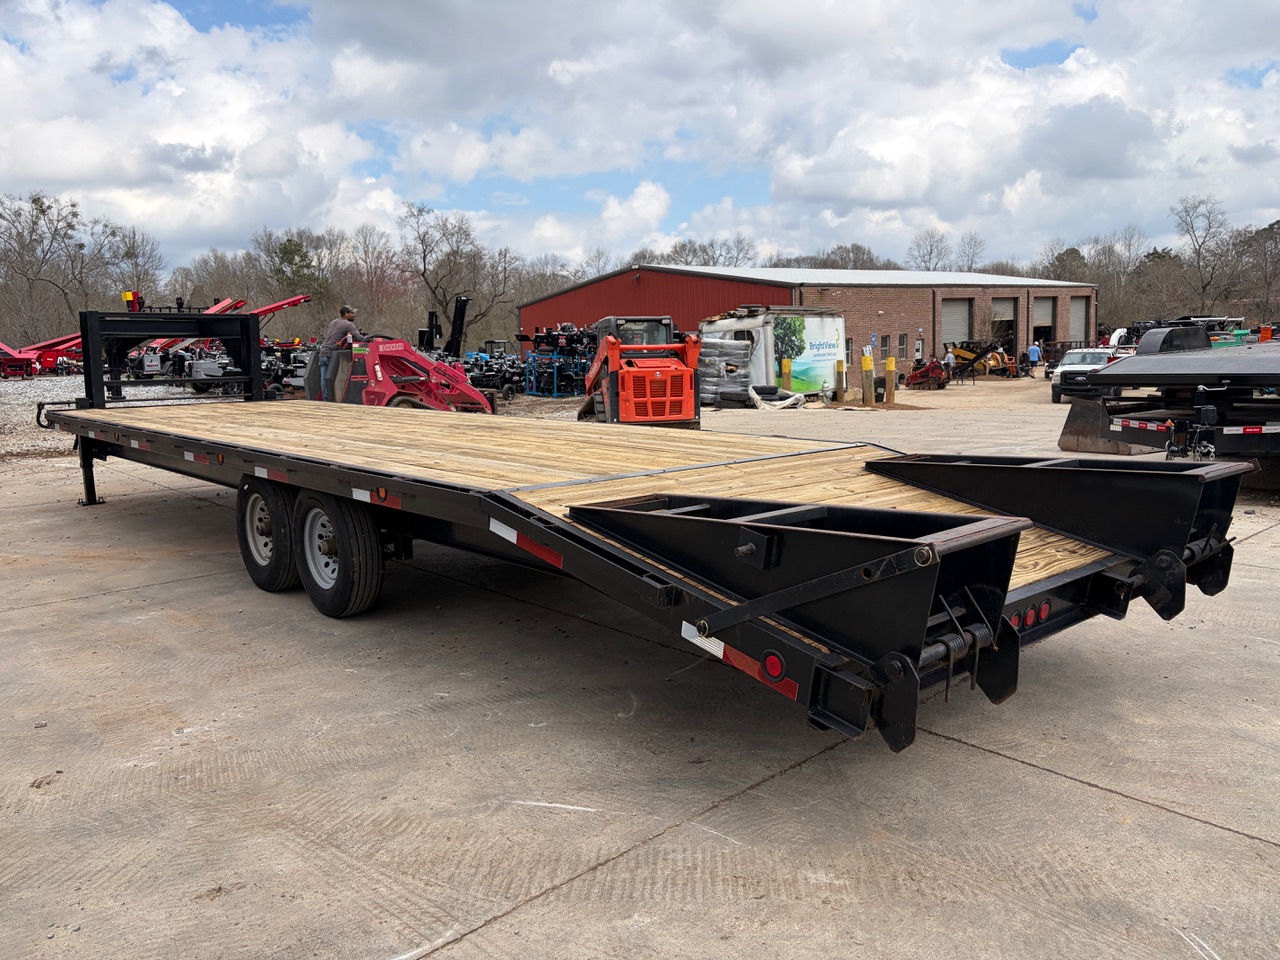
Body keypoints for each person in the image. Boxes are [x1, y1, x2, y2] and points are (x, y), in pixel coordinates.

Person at [318, 305, 365, 401]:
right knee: (338, 378)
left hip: (323, 352)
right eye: (352, 313)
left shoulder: (334, 322)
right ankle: (336, 399)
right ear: (346, 314)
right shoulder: (348, 324)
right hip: (331, 353)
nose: (354, 315)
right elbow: (359, 338)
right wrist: (370, 339)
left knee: (324, 378)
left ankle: (325, 399)